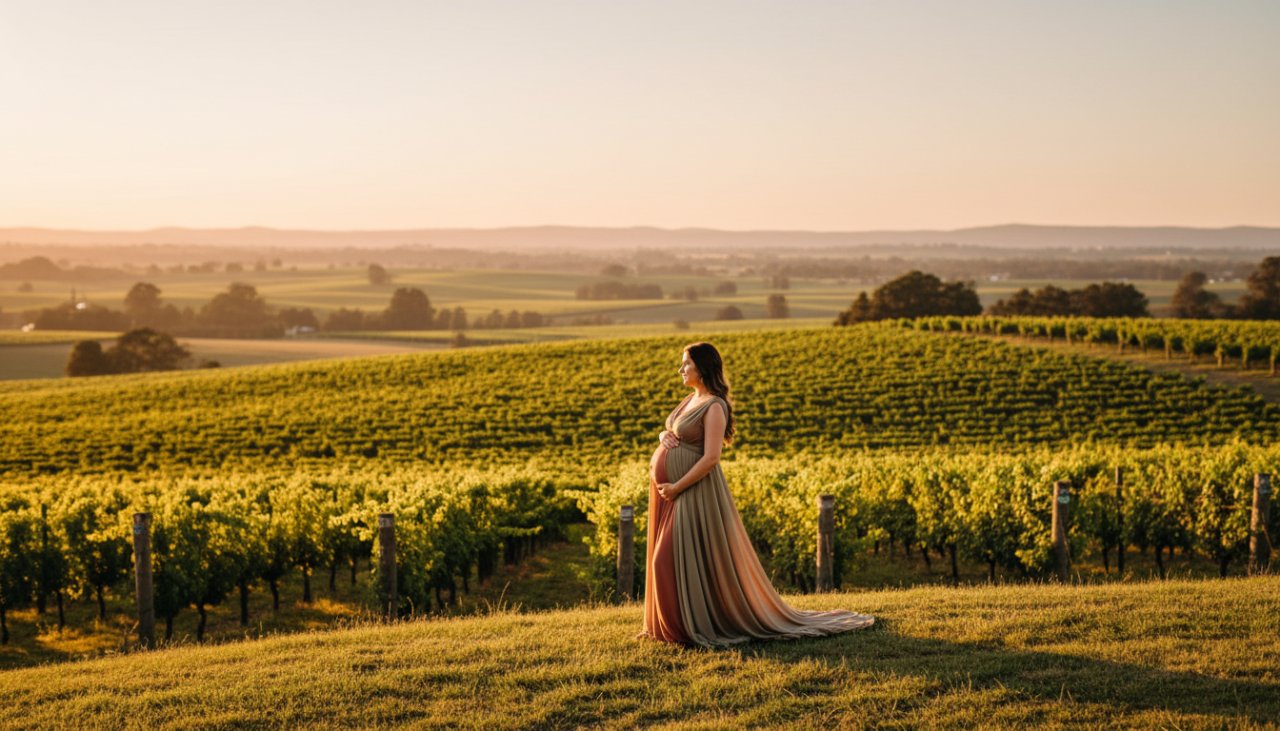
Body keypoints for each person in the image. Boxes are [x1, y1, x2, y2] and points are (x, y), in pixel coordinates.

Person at [639, 341, 875, 648]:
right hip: (671, 493)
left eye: (686, 364)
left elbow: (711, 458)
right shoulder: (691, 399)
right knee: (670, 560)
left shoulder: (715, 406)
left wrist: (677, 486)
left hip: (692, 492)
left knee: (665, 560)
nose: (681, 369)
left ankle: (687, 630)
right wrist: (663, 434)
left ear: (703, 367)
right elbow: (672, 428)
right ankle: (671, 630)